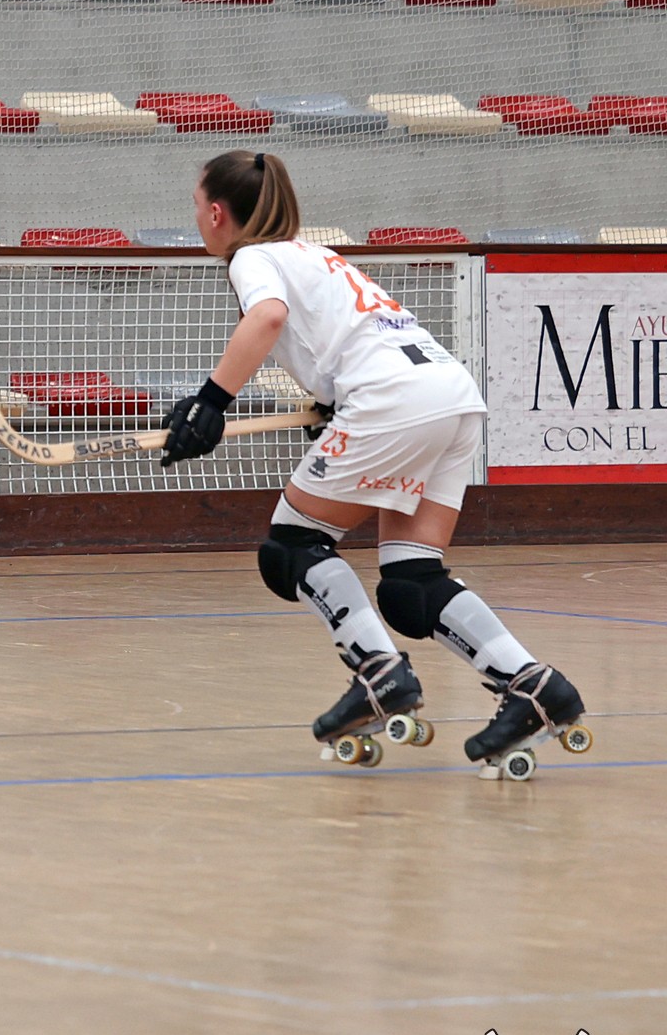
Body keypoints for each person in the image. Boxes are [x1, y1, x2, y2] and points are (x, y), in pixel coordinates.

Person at [158, 149, 587, 769]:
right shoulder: (316, 255)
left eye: (197, 206)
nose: (197, 218)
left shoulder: (252, 257)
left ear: (218, 213)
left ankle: (379, 674)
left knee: (292, 547)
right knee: (412, 581)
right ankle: (536, 688)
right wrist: (333, 401)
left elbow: (269, 316)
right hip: (450, 395)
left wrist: (211, 401)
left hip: (393, 400)